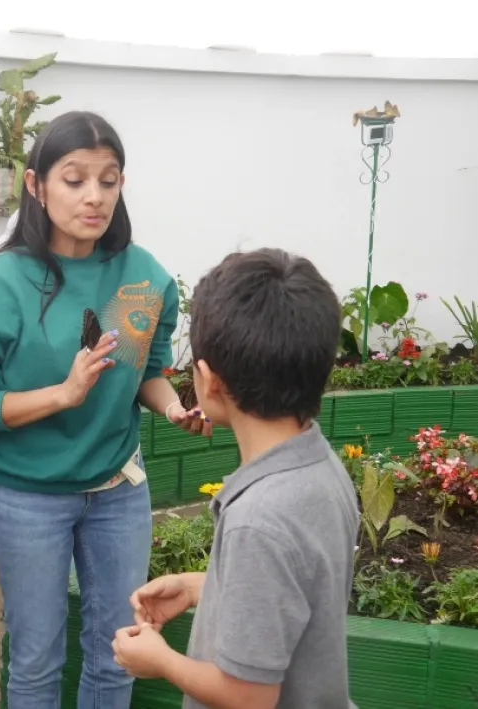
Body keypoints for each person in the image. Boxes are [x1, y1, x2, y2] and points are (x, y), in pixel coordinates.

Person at [0, 110, 209, 709]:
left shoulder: (143, 277)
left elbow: (146, 371)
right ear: (35, 186)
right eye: (74, 179)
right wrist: (62, 394)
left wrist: (172, 408)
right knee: (36, 660)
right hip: (28, 496)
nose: (94, 196)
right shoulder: (2, 282)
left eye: (108, 180)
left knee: (121, 649)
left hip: (117, 491)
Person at [114, 249, 359, 709]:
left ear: (208, 380)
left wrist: (160, 660)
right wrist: (193, 587)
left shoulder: (258, 518)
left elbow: (248, 696)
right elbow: (293, 589)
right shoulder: (318, 466)